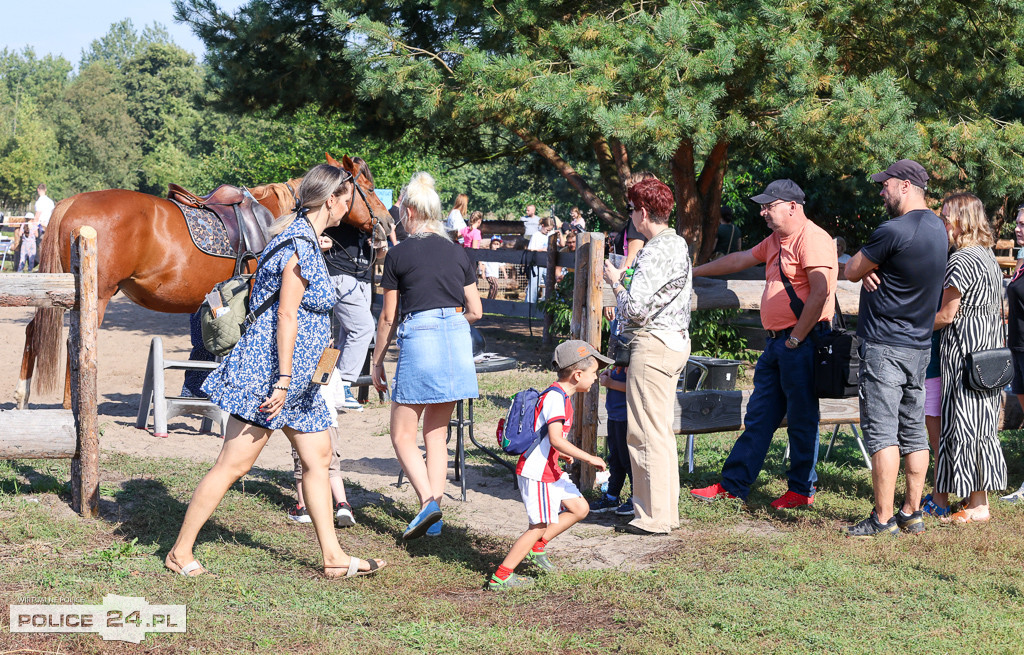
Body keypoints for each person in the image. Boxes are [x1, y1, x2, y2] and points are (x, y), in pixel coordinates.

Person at [166, 163, 386, 578]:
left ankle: (334, 558)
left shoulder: (301, 239)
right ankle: (180, 551)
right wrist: (283, 380)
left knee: (318, 459)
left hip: (301, 380)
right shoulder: (299, 246)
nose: (347, 208)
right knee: (234, 464)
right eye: (345, 199)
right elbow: (286, 315)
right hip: (271, 377)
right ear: (332, 200)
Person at [690, 180, 837, 510]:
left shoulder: (812, 239)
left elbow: (820, 292)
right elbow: (741, 259)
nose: (763, 211)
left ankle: (800, 490)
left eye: (769, 206)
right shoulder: (777, 239)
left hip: (800, 342)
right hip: (779, 345)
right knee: (759, 416)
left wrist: (796, 339)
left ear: (792, 207)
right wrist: (695, 271)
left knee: (801, 419)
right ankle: (734, 485)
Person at [371, 172, 483, 540]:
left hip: (420, 336)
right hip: (455, 336)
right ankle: (434, 521)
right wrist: (448, 322)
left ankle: (427, 504)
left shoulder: (399, 254)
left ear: (412, 211)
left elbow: (388, 316)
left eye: (401, 208)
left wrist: (376, 361)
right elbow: (476, 310)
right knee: (436, 435)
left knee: (402, 433)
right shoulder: (458, 252)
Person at [842, 159, 949, 538]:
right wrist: (876, 266)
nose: (880, 191)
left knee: (882, 433)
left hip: (884, 344)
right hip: (920, 345)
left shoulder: (892, 230)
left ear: (904, 186)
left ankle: (883, 518)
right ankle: (912, 511)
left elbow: (851, 269)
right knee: (914, 432)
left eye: (884, 185)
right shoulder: (939, 228)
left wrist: (868, 265)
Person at [603, 178, 692, 535]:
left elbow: (636, 308)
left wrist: (614, 280)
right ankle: (664, 513)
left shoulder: (656, 249)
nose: (631, 218)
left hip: (653, 345)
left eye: (631, 210)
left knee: (643, 434)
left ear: (642, 212)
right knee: (660, 432)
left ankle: (652, 518)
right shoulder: (678, 244)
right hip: (673, 343)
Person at [487, 340, 609, 590]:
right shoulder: (556, 398)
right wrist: (589, 457)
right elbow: (555, 438)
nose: (596, 378)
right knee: (539, 525)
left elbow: (551, 438)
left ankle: (537, 548)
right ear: (577, 375)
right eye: (593, 373)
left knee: (579, 508)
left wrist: (560, 454)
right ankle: (501, 576)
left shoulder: (560, 395)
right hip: (538, 472)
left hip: (549, 468)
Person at [930, 192, 1007, 523]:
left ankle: (978, 507)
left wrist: (909, 325)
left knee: (964, 427)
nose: (943, 224)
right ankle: (977, 499)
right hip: (989, 354)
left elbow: (946, 315)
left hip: (964, 355)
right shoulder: (987, 255)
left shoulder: (960, 260)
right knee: (981, 428)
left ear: (960, 220)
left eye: (945, 218)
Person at [321, 159, 383, 412]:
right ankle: (344, 384)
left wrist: (379, 246)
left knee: (346, 334)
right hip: (339, 272)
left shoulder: (366, 208)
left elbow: (379, 253)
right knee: (363, 328)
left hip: (362, 275)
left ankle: (330, 385)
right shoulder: (340, 203)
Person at [287, 384, 356, 527]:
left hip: (303, 423)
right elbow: (340, 400)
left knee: (303, 465)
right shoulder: (332, 369)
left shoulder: (299, 368)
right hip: (330, 423)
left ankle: (303, 507)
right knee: (332, 467)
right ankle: (343, 505)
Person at [589, 364, 633, 516]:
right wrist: (610, 374)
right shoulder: (621, 361)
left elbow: (635, 387)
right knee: (615, 459)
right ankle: (612, 496)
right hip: (614, 416)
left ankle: (637, 499)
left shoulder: (634, 362)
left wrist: (610, 383)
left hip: (626, 418)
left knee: (628, 460)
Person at [1003, 204, 1024, 503]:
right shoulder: (1022, 261)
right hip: (1019, 349)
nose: (1018, 228)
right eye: (1018, 223)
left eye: (1023, 224)